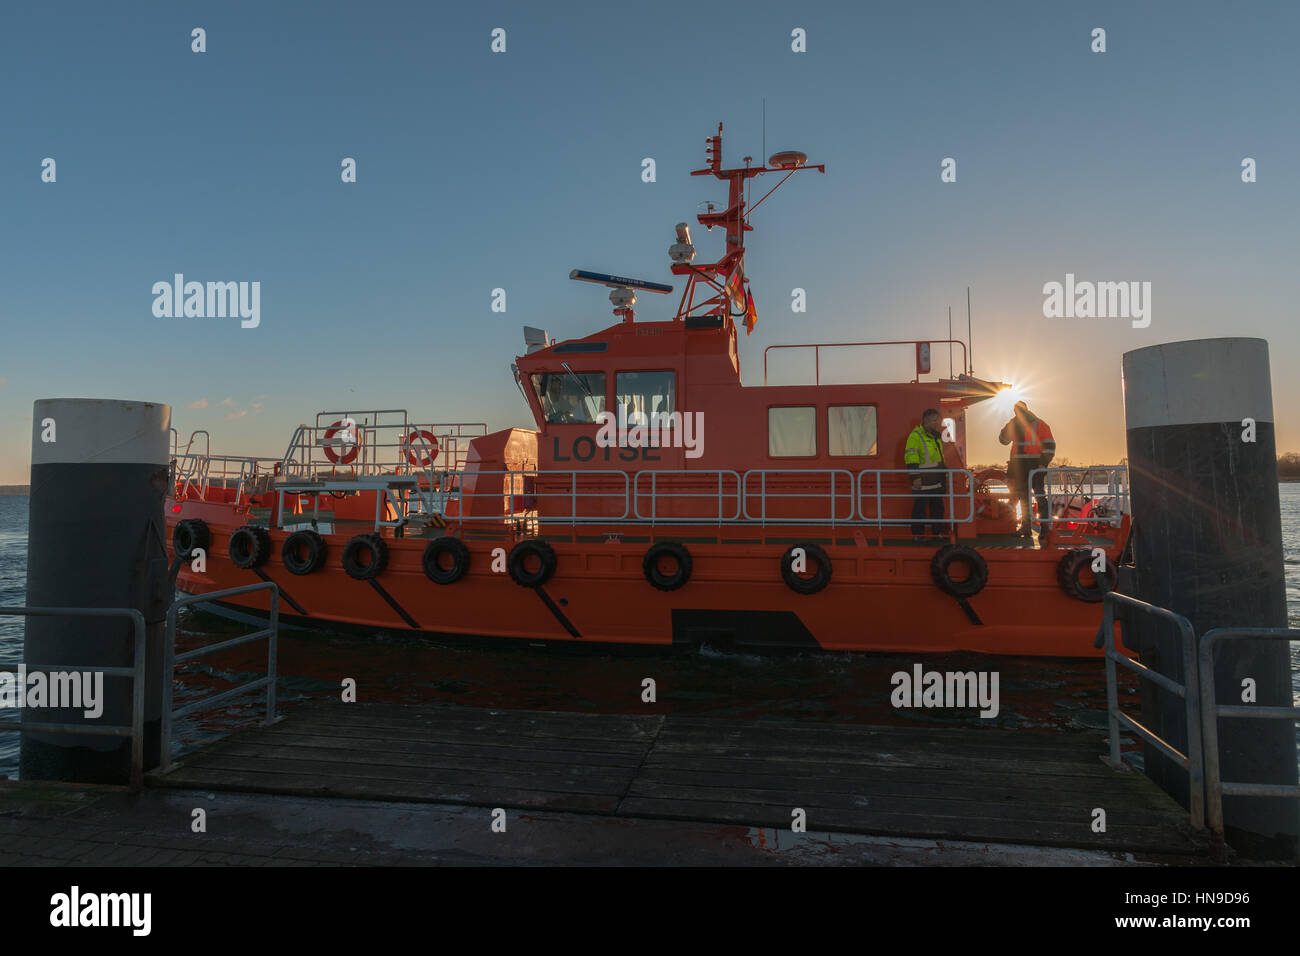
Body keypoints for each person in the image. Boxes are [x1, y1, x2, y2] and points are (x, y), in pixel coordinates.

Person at [999, 401, 1055, 537]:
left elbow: (1049, 446)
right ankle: (1027, 528)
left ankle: (1045, 528)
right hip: (1020, 466)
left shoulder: (1039, 424)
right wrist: (1009, 426)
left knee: (1039, 495)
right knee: (1024, 497)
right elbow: (1003, 440)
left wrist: (1043, 463)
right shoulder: (1015, 425)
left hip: (1035, 465)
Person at [905, 408, 947, 539]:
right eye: (934, 420)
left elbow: (939, 458)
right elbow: (911, 457)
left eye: (938, 420)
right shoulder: (915, 436)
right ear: (926, 420)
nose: (936, 423)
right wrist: (915, 478)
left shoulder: (936, 437)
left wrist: (944, 474)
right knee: (919, 509)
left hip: (935, 481)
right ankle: (918, 535)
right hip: (922, 482)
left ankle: (938, 533)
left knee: (938, 508)